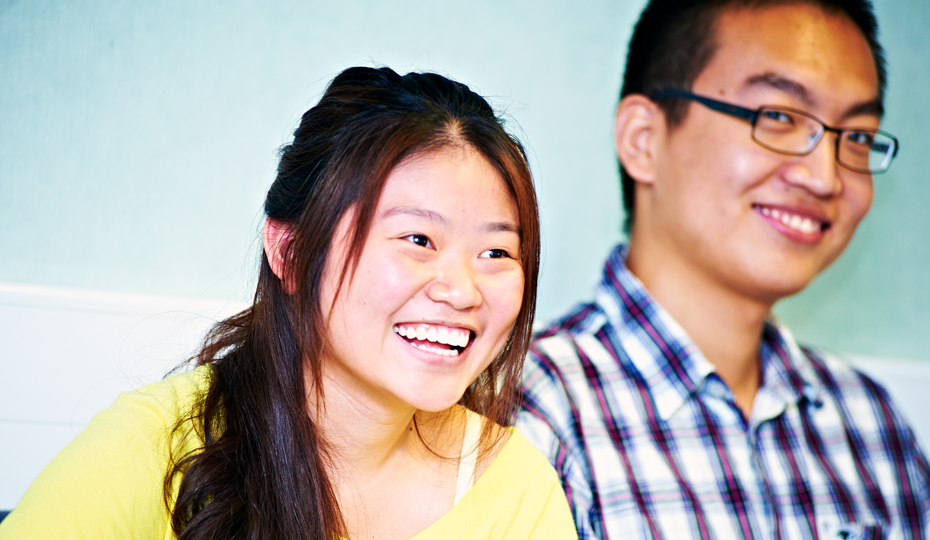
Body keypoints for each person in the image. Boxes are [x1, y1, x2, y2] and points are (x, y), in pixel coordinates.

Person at [0, 66, 576, 539]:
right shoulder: (156, 446)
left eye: (497, 252)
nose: (462, 290)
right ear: (293, 251)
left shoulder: (515, 489)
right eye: (418, 240)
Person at [517, 0, 930, 538]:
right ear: (644, 139)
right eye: (779, 117)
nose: (825, 178)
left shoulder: (869, 422)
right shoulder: (533, 410)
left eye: (855, 136)